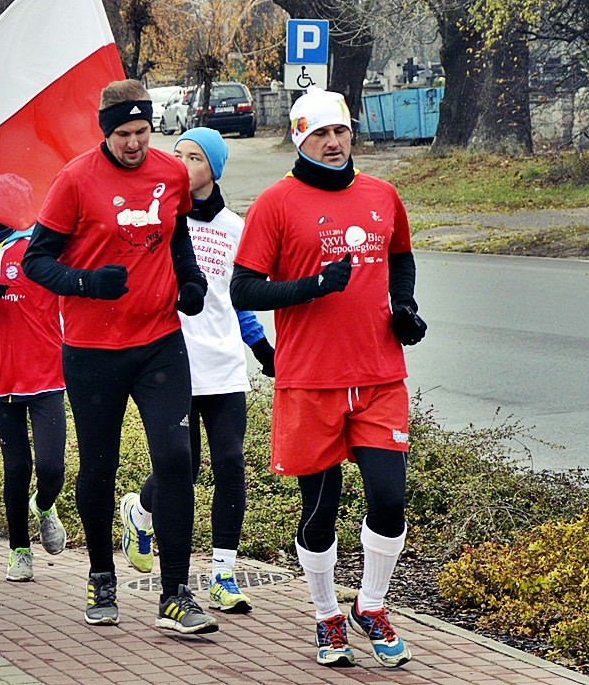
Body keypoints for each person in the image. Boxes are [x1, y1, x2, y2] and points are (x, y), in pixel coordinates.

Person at [230, 86, 427, 668]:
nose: (334, 142)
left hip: (378, 375)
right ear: (300, 137)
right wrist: (314, 286)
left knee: (390, 500)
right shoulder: (275, 203)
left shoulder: (382, 195)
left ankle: (370, 605)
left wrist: (404, 306)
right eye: (321, 133)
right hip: (309, 381)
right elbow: (243, 288)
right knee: (320, 513)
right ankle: (325, 614)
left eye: (341, 131)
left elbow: (399, 254)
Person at [23, 78, 218, 635]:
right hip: (92, 350)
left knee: (177, 459)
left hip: (159, 342)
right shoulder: (75, 180)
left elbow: (176, 234)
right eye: (124, 134)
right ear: (105, 132)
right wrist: (86, 283)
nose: (135, 144)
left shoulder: (171, 172)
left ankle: (176, 593)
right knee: (100, 467)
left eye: (143, 131)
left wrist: (191, 278)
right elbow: (37, 261)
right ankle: (101, 574)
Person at [119, 127, 275, 615]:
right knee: (181, 467)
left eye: (195, 157)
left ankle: (223, 573)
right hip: (171, 363)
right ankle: (141, 512)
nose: (183, 163)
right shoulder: (160, 221)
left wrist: (264, 350)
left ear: (215, 168)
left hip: (225, 365)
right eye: (178, 154)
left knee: (230, 464)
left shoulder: (235, 227)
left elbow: (238, 300)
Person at [0, 207, 67, 582]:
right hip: (1, 377)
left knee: (50, 467)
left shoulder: (39, 248)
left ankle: (44, 506)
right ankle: (19, 550)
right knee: (16, 468)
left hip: (46, 374)